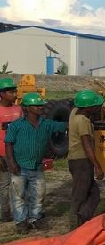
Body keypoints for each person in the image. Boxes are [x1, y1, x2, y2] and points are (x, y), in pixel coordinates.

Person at [4, 92, 68, 233]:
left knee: (39, 194)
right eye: (37, 105)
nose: (40, 107)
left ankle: (35, 218)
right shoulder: (16, 125)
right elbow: (8, 143)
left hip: (37, 166)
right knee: (18, 196)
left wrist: (77, 116)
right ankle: (21, 222)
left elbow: (64, 126)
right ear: (27, 108)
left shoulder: (46, 124)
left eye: (41, 105)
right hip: (19, 166)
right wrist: (11, 163)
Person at [67, 90, 105, 229]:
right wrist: (97, 166)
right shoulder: (83, 121)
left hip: (75, 160)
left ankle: (82, 218)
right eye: (96, 106)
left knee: (94, 193)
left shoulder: (74, 112)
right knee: (80, 194)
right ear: (88, 108)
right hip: (82, 161)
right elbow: (87, 146)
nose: (99, 108)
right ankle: (75, 222)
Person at [0, 78, 23, 223]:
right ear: (2, 94)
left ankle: (19, 212)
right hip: (2, 154)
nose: (15, 94)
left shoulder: (18, 109)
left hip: (17, 153)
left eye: (15, 91)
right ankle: (5, 213)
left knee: (19, 183)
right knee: (4, 184)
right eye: (11, 92)